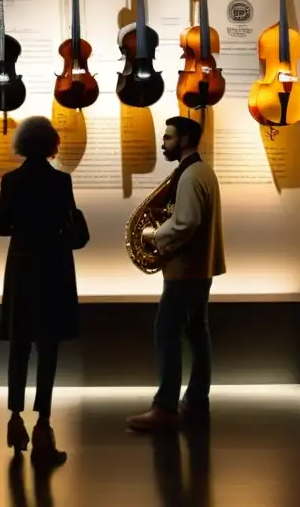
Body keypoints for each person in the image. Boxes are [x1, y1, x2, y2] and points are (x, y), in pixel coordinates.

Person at [126, 115, 225, 432]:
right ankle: (196, 401)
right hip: (199, 269)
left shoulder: (190, 176)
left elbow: (185, 223)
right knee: (198, 333)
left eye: (168, 138)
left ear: (184, 140)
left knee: (166, 333)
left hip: (185, 271)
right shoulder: (201, 171)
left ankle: (165, 407)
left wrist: (152, 236)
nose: (163, 142)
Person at [0, 115, 80, 468]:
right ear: (51, 144)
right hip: (53, 267)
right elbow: (69, 224)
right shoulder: (60, 181)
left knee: (19, 346)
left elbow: (2, 227)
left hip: (22, 266)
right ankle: (43, 425)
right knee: (48, 349)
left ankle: (15, 420)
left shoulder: (11, 180)